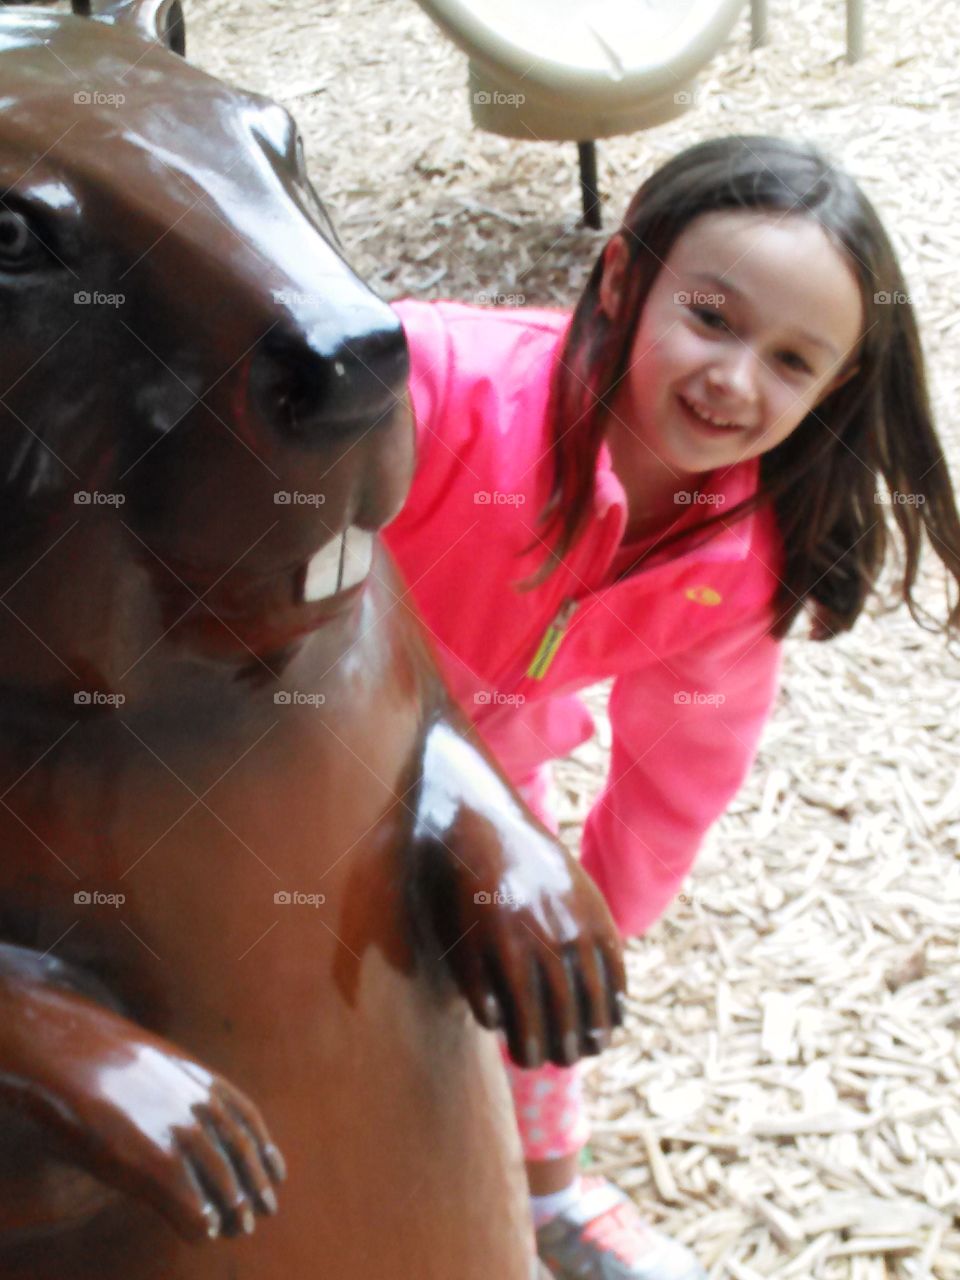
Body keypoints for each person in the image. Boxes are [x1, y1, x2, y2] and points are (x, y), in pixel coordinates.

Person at [382, 135, 960, 1280]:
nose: (736, 379)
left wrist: (599, 914)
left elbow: (682, 762)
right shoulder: (442, 380)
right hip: (288, 729)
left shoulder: (739, 550)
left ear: (836, 387)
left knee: (534, 973)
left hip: (492, 768)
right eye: (711, 316)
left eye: (794, 362)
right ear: (620, 277)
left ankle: (551, 1196)